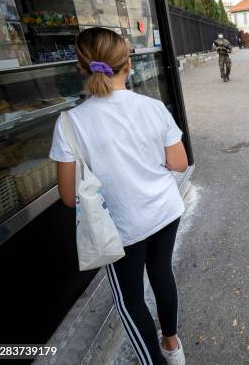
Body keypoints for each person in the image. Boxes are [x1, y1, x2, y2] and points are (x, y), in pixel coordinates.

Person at [49, 27, 189, 365]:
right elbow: (180, 163)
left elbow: (69, 197)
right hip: (165, 211)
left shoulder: (70, 123)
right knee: (161, 273)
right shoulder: (153, 107)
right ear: (128, 64)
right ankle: (172, 345)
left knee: (130, 300)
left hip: (121, 227)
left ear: (82, 68)